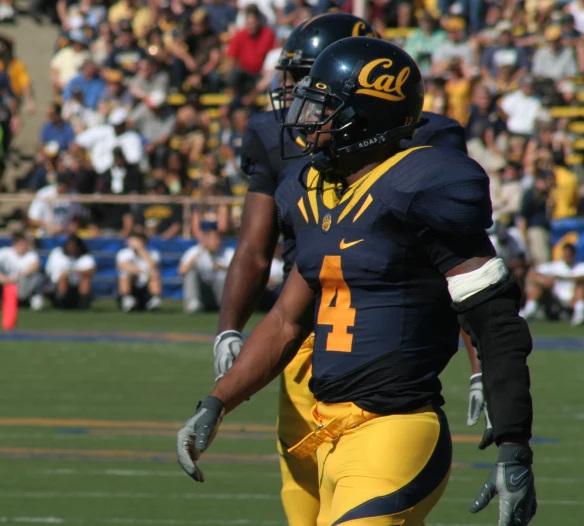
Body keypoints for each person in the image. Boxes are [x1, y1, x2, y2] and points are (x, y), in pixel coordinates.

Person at [179, 37, 536, 526]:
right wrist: (217, 402)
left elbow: (494, 317)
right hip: (326, 431)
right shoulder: (315, 191)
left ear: (363, 120)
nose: (303, 119)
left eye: (321, 108)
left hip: (395, 432)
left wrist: (513, 444)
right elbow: (286, 320)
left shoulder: (421, 184)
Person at [0, 233, 45, 311]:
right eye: (22, 244)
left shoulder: (31, 255)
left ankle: (35, 297)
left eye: (25, 244)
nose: (24, 246)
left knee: (36, 276)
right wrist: (1, 277)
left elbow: (35, 265)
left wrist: (17, 277)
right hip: (2, 284)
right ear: (15, 244)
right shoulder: (4, 252)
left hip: (21, 286)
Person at [521, 243, 584, 325]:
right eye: (566, 255)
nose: (567, 257)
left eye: (570, 255)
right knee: (538, 287)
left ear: (574, 255)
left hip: (573, 300)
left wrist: (562, 278)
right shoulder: (555, 266)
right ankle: (529, 310)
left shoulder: (580, 266)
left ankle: (579, 314)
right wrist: (544, 281)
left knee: (580, 287)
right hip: (555, 299)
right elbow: (533, 273)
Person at [178, 229, 233, 314]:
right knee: (191, 273)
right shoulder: (195, 251)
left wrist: (222, 267)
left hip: (220, 291)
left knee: (224, 276)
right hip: (203, 291)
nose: (217, 242)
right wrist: (199, 252)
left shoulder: (228, 252)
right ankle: (193, 303)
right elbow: (182, 270)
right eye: (213, 239)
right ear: (206, 240)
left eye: (218, 239)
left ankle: (227, 305)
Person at [45, 234, 96, 309]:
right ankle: (61, 301)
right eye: (70, 246)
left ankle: (83, 304)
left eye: (74, 246)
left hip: (77, 287)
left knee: (86, 279)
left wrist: (73, 272)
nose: (71, 248)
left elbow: (91, 270)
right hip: (57, 285)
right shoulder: (57, 253)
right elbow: (49, 272)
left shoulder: (85, 257)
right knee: (63, 278)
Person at [115, 232, 162, 312]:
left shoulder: (153, 253)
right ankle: (127, 299)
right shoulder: (124, 253)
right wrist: (141, 271)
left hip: (146, 287)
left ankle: (155, 299)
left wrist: (141, 250)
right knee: (125, 273)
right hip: (132, 285)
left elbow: (153, 266)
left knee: (154, 273)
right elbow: (122, 265)